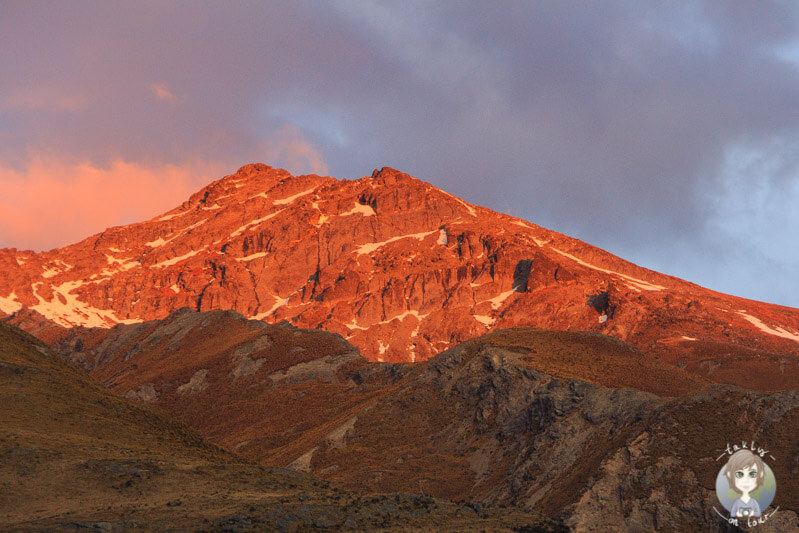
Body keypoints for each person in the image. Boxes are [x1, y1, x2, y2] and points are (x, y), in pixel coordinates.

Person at [723, 449, 765, 518]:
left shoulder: (753, 502)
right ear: (730, 475)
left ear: (760, 474)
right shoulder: (737, 502)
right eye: (739, 474)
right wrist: (738, 513)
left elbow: (758, 513)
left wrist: (751, 513)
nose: (746, 480)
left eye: (752, 474)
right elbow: (732, 513)